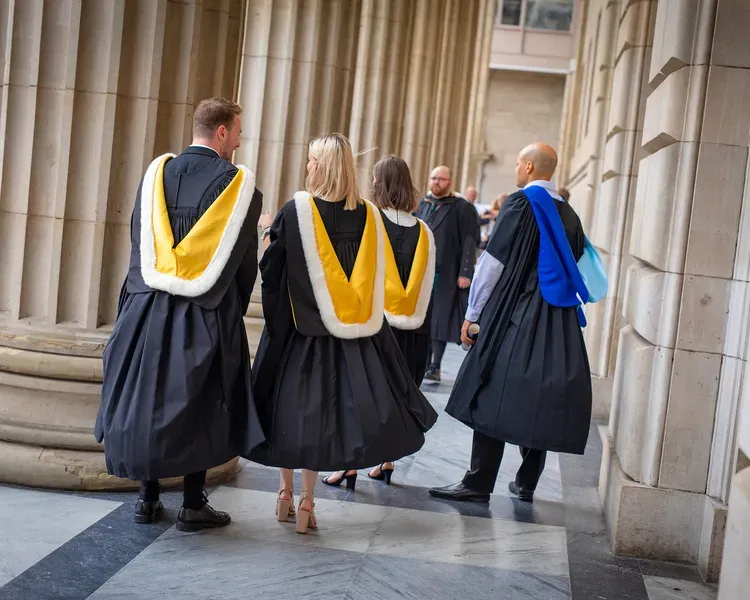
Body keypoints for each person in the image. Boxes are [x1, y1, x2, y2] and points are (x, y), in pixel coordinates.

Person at [250, 134, 438, 533]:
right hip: (350, 339)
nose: (306, 168)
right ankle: (307, 501)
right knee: (320, 419)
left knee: (288, 413)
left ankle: (283, 495)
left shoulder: (296, 210)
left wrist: (268, 233)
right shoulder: (369, 215)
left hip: (300, 335)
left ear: (321, 165)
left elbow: (273, 273)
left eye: (310, 160)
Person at [95, 97, 265, 530]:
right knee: (202, 401)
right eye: (238, 132)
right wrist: (229, 310)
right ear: (222, 131)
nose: (240, 142)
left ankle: (147, 499)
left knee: (150, 395)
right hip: (206, 310)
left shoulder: (155, 176)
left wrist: (132, 304)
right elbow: (244, 264)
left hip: (146, 305)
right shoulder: (237, 185)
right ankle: (192, 503)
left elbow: (138, 242)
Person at [428, 143, 592, 503]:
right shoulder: (569, 214)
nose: (516, 168)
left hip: (515, 312)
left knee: (490, 387)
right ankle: (526, 482)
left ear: (530, 167)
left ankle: (477, 482)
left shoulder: (521, 203)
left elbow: (493, 262)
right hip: (557, 317)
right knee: (538, 395)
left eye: (518, 162)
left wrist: (472, 314)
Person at [322, 154, 436, 488]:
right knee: (399, 395)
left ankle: (348, 465)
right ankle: (386, 463)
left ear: (377, 183)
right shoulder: (425, 231)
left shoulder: (369, 220)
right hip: (414, 327)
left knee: (358, 395)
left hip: (375, 324)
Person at [415, 166, 480, 383]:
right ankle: (422, 363)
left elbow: (470, 241)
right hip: (423, 271)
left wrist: (465, 272)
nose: (436, 182)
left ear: (450, 182)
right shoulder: (424, 204)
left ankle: (435, 366)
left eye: (441, 179)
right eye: (433, 178)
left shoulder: (461, 207)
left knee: (441, 319)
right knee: (424, 317)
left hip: (448, 271)